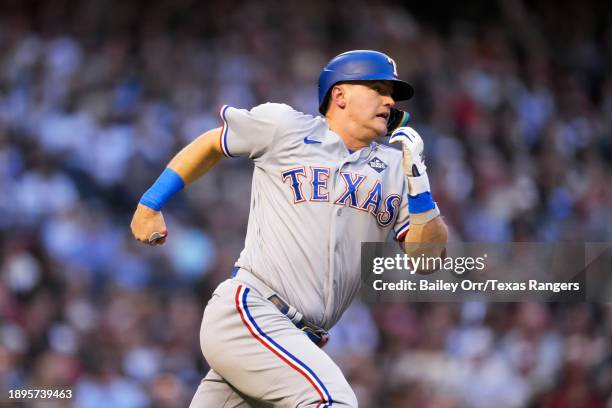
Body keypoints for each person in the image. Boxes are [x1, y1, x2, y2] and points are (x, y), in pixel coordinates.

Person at [130, 50, 448, 407]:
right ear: (339, 95)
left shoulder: (395, 167)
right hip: (251, 312)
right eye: (377, 88)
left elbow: (428, 259)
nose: (389, 99)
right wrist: (150, 203)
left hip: (293, 341)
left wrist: (420, 186)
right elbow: (212, 143)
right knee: (333, 401)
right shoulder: (286, 127)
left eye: (392, 93)